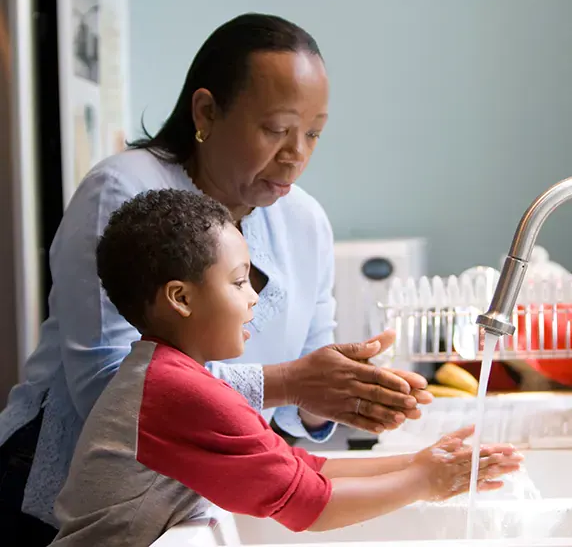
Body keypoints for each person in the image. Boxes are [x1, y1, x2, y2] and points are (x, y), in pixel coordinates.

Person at [0, 13, 432, 544]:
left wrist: (339, 397)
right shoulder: (124, 190)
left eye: (313, 133)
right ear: (206, 111)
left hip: (180, 506)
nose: (296, 155)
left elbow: (301, 403)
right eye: (276, 129)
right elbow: (108, 390)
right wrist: (293, 381)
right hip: (62, 501)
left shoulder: (306, 222)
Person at [50, 189, 523, 546]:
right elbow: (309, 505)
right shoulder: (175, 391)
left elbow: (303, 467)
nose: (254, 297)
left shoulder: (168, 375)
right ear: (181, 298)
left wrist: (420, 463)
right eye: (238, 282)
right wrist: (425, 482)